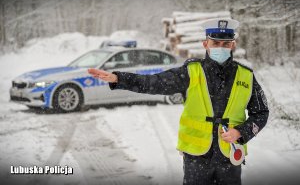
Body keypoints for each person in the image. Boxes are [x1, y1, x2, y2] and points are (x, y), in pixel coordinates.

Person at [88, 18, 269, 185]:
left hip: (230, 156)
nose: (220, 47)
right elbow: (153, 82)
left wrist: (240, 132)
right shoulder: (191, 71)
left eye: (226, 43)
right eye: (215, 43)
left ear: (233, 45)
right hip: (197, 158)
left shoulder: (247, 76)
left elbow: (261, 113)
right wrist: (118, 79)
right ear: (206, 44)